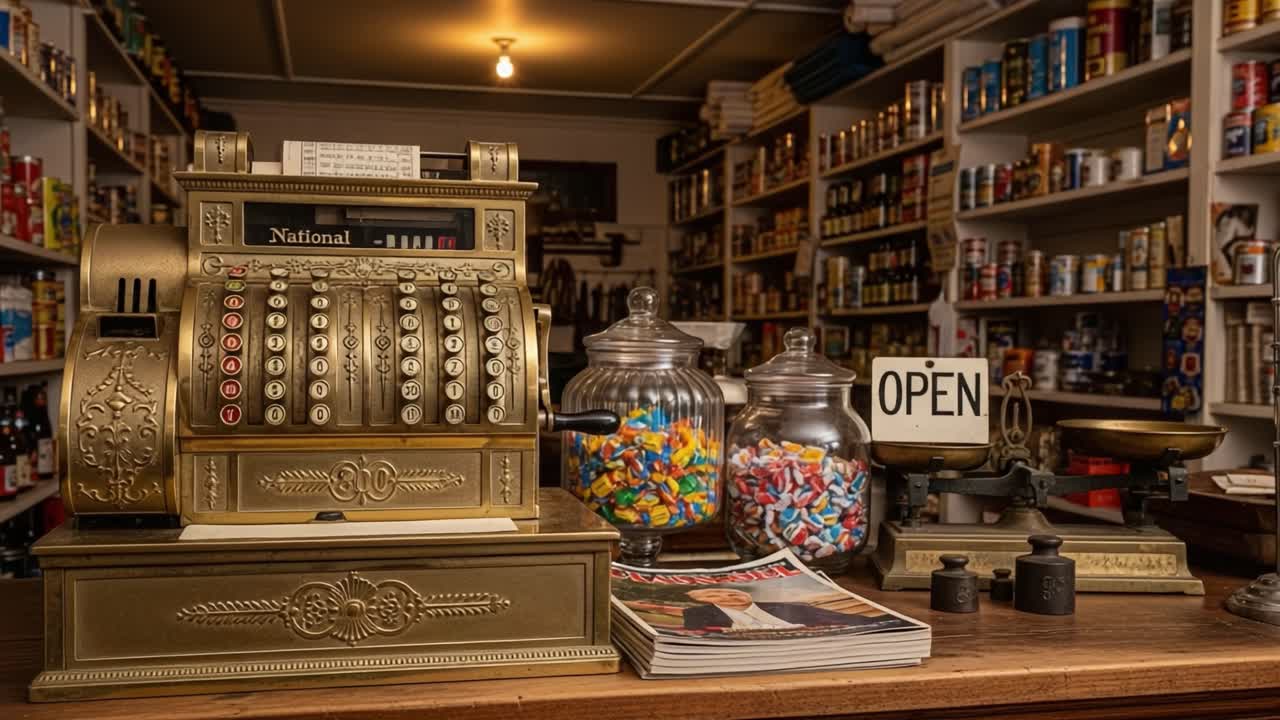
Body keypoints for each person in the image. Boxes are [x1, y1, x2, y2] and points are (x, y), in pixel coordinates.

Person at [681, 587, 877, 631]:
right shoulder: (712, 621)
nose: (729, 595)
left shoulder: (788, 607)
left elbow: (843, 618)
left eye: (725, 590)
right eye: (713, 596)